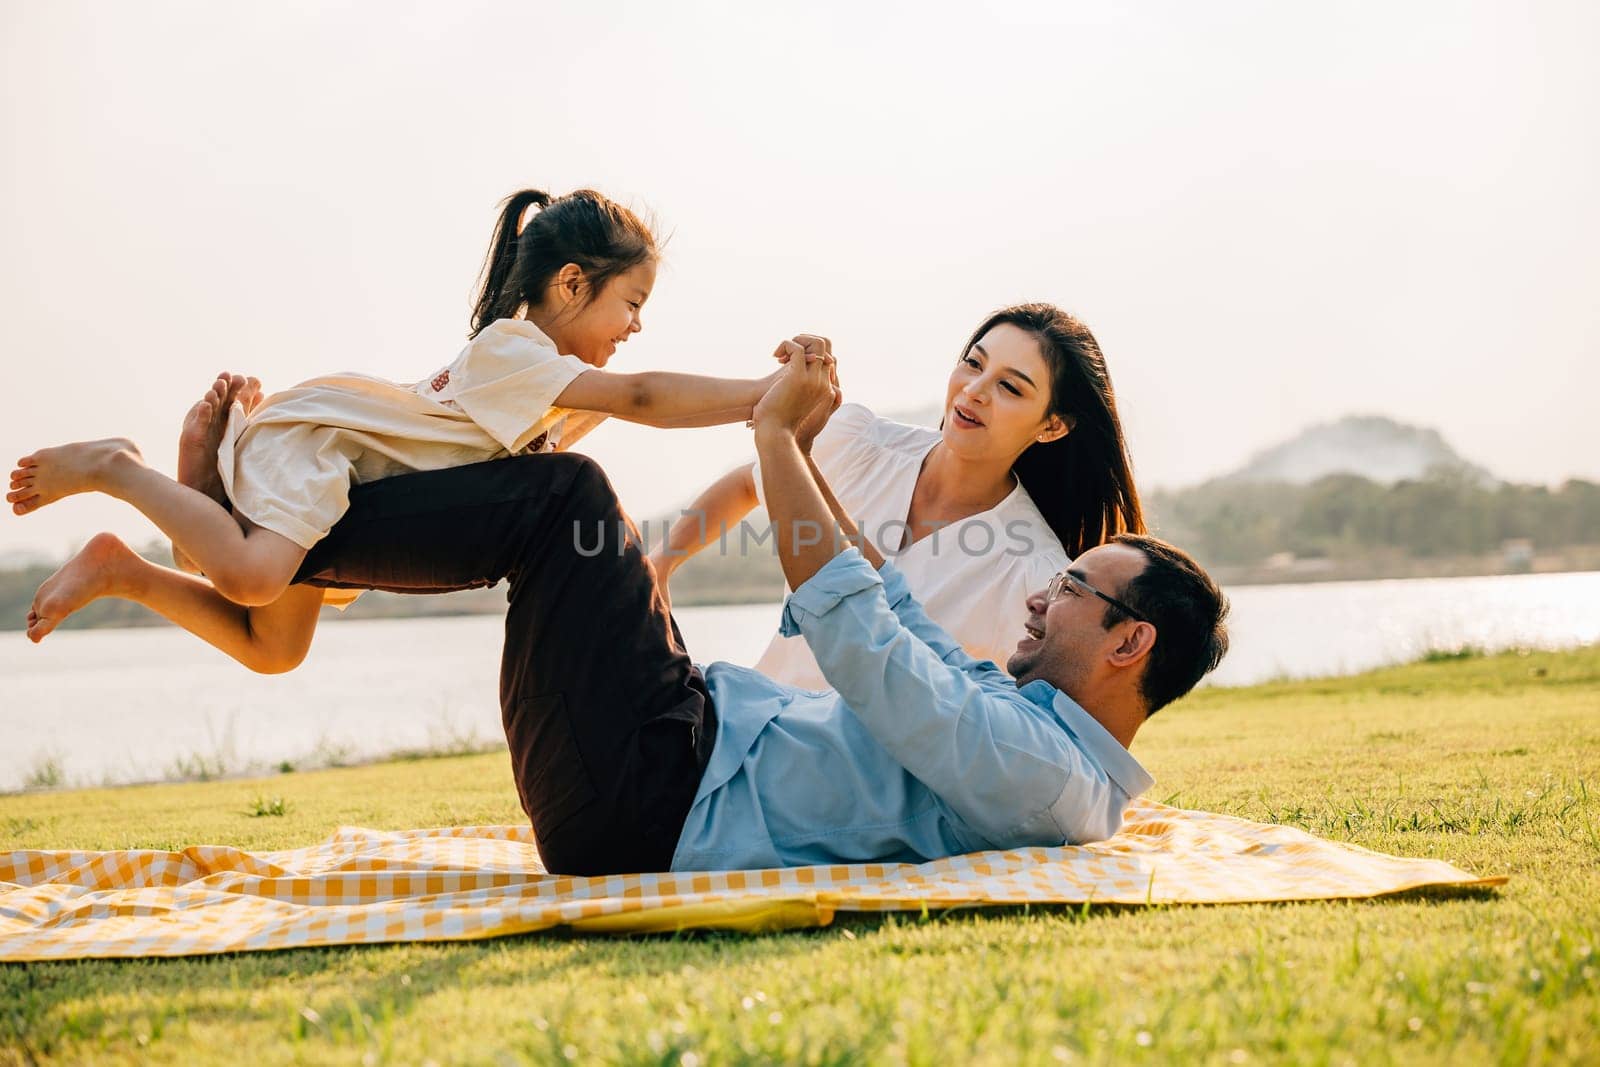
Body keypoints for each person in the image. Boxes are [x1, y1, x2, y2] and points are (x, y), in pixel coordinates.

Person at [257, 338, 1229, 875]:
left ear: (1127, 640)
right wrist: (780, 462)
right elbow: (892, 609)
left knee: (567, 498)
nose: (1038, 601)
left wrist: (776, 437)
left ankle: (277, 537)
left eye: (1068, 591)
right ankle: (276, 537)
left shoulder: (1041, 768)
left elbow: (864, 647)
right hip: (672, 750)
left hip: (654, 796)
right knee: (570, 509)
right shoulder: (1035, 733)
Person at [6, 188, 811, 666]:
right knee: (249, 575)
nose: (635, 326)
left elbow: (590, 424)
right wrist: (762, 394)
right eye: (630, 304)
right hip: (322, 446)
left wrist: (776, 422)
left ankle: (127, 564)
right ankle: (118, 466)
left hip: (347, 473)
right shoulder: (516, 349)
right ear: (571, 283)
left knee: (272, 647)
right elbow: (636, 396)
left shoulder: (536, 385)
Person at [650, 303, 1145, 689]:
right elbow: (746, 486)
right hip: (749, 723)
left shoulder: (1031, 572)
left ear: (1053, 425)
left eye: (1010, 388)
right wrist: (661, 567)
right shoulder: (860, 444)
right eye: (973, 364)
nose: (973, 390)